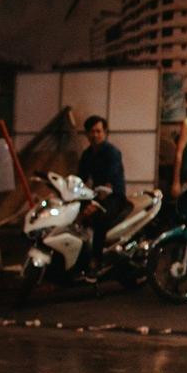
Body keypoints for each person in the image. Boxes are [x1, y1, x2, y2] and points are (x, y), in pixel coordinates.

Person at [77, 115, 127, 273]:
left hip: (113, 196)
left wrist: (95, 204)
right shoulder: (86, 155)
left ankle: (96, 260)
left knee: (99, 220)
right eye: (91, 132)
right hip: (96, 195)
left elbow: (109, 183)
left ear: (105, 132)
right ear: (86, 134)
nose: (95, 135)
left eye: (98, 131)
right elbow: (80, 179)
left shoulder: (112, 153)